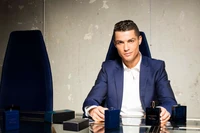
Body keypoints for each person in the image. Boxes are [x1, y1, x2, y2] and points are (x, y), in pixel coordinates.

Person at [82, 20, 177, 126]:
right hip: (116, 128)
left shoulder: (156, 67)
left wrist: (163, 110)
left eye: (131, 41)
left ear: (139, 40)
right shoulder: (108, 68)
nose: (126, 48)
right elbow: (90, 101)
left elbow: (169, 102)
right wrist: (93, 109)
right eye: (120, 42)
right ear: (115, 44)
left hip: (147, 128)